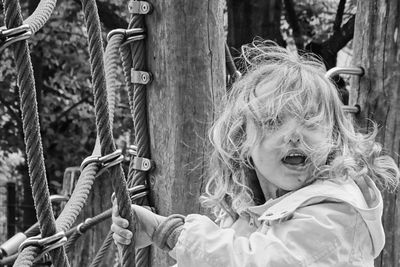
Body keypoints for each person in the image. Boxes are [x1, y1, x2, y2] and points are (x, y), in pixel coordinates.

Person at [111, 42, 399, 266]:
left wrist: (168, 233)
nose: (294, 134)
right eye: (273, 121)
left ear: (333, 138)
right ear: (242, 142)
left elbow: (256, 262)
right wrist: (150, 230)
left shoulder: (336, 212)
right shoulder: (251, 214)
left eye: (310, 121)